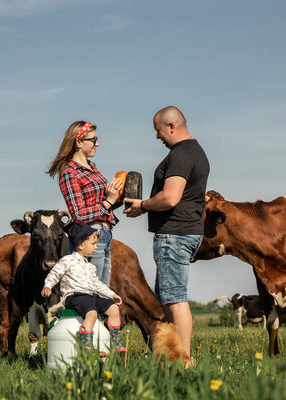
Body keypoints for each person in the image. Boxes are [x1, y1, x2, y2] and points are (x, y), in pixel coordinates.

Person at [124, 106, 209, 360]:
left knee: (175, 298)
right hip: (185, 231)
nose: (157, 136)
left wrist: (143, 205)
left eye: (158, 130)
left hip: (175, 233)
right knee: (167, 295)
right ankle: (174, 354)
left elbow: (171, 197)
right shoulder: (195, 151)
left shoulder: (181, 154)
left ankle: (183, 359)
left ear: (171, 126)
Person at [47, 120, 122, 286]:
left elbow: (102, 204)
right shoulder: (70, 173)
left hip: (104, 234)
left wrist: (117, 197)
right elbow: (79, 214)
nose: (97, 144)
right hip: (88, 235)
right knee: (90, 291)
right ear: (79, 142)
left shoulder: (92, 168)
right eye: (93, 140)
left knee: (101, 291)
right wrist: (108, 202)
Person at [41, 222, 126, 352]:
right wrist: (48, 286)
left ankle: (114, 342)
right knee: (91, 313)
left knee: (114, 309)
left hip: (91, 296)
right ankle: (86, 345)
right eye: (93, 244)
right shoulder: (67, 260)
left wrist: (112, 295)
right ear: (81, 245)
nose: (96, 247)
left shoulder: (90, 266)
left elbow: (97, 285)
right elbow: (54, 273)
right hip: (75, 296)